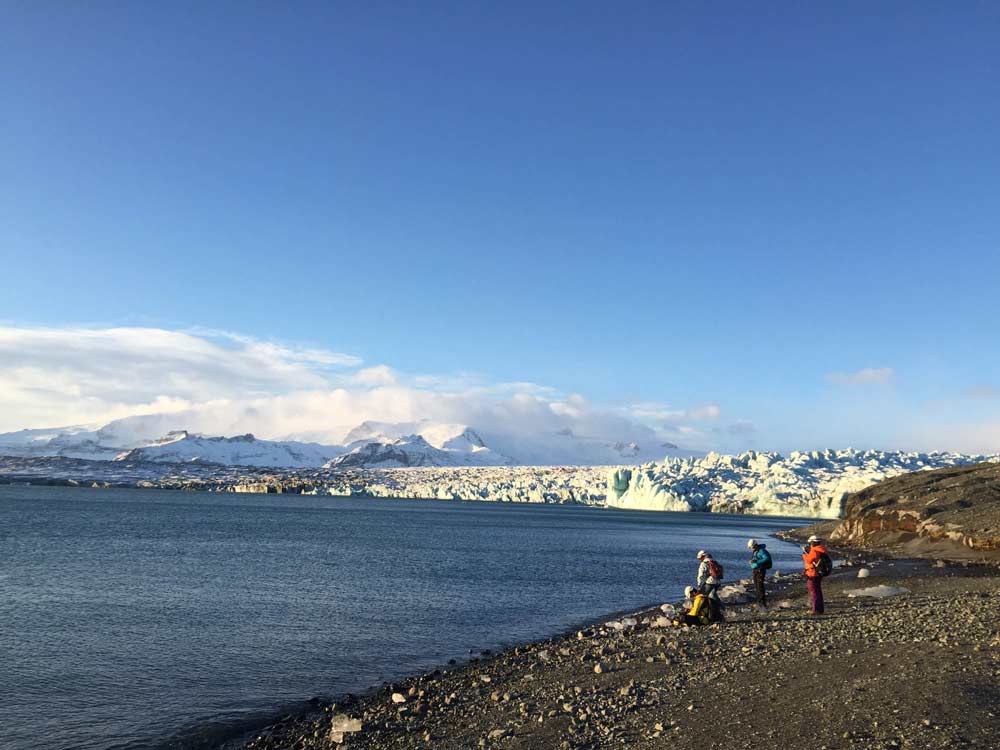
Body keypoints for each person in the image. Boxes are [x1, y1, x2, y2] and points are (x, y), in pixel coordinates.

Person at [802, 534, 829, 614]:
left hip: (812, 573)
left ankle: (816, 610)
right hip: (818, 573)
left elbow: (809, 560)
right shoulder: (821, 549)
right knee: (818, 591)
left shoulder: (814, 550)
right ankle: (819, 609)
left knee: (814, 592)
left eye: (810, 543)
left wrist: (804, 554)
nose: (810, 544)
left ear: (813, 543)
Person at [695, 550, 725, 622]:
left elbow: (701, 576)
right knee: (713, 597)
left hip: (709, 583)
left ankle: (711, 615)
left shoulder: (704, 564)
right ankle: (719, 611)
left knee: (705, 599)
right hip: (717, 582)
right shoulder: (714, 562)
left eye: (700, 558)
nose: (700, 560)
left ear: (702, 556)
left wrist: (700, 586)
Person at [747, 538, 773, 607]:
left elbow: (766, 558)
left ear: (754, 545)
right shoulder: (756, 551)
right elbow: (758, 558)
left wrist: (756, 562)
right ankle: (760, 602)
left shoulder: (761, 551)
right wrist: (752, 561)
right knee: (757, 587)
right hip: (756, 571)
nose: (751, 549)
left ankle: (762, 603)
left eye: (751, 547)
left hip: (760, 571)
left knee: (760, 587)